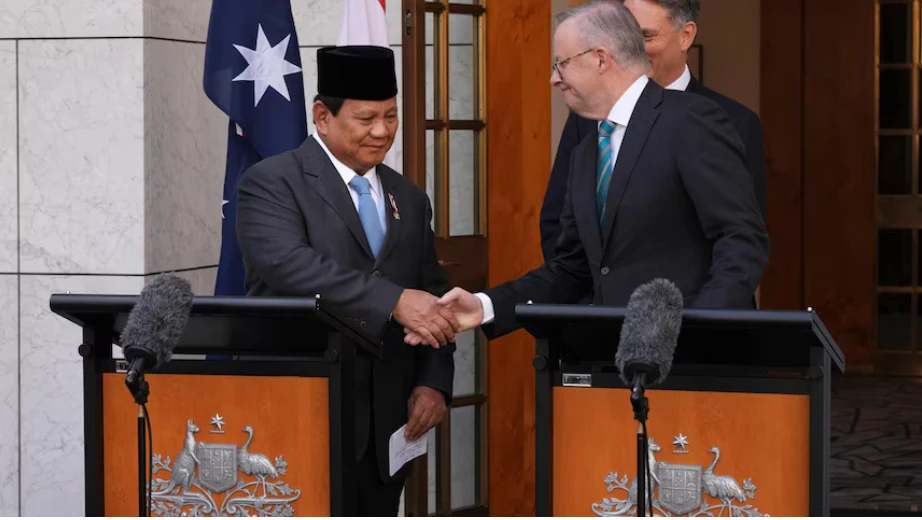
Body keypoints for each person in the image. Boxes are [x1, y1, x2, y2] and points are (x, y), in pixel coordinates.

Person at [406, 0, 769, 345]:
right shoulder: (588, 149)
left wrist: (697, 330)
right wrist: (485, 306)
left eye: (561, 63)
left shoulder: (690, 120)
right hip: (609, 362)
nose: (554, 79)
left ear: (600, 59)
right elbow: (571, 269)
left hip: (688, 366)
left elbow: (740, 239)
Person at [235, 45, 457, 516]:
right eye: (366, 118)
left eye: (392, 116)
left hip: (389, 429)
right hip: (304, 410)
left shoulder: (409, 198)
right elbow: (288, 266)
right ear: (322, 115)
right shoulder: (272, 182)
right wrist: (393, 301)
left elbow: (433, 295)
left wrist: (435, 382)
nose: (383, 132)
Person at [539, 0, 767, 263]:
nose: (631, 49)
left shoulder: (734, 121)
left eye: (645, 36)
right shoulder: (590, 117)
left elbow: (741, 241)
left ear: (686, 36)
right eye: (625, 35)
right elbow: (558, 225)